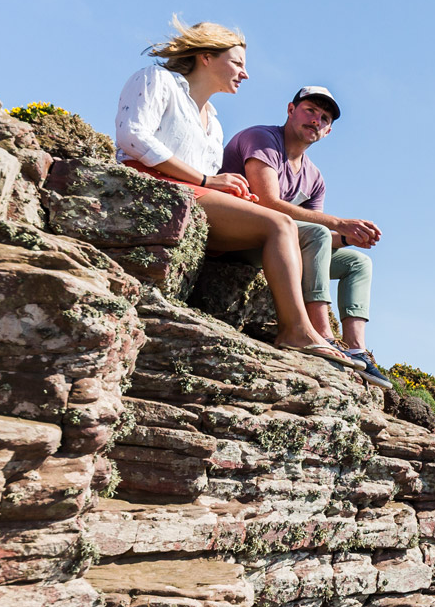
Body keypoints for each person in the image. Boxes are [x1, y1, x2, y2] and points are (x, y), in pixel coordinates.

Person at [113, 19, 358, 368]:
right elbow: (131, 137)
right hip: (154, 190)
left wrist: (228, 192)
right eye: (238, 63)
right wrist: (205, 180)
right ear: (207, 56)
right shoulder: (156, 79)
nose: (244, 74)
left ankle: (324, 337)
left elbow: (209, 181)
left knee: (285, 226)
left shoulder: (214, 123)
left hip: (195, 199)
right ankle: (296, 331)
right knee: (280, 224)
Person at [219, 89, 388, 385]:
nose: (316, 120)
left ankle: (357, 349)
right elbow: (266, 202)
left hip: (278, 246)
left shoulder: (314, 178)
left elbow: (314, 239)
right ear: (290, 109)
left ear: (329, 130)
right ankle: (322, 334)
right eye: (310, 111)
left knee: (358, 263)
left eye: (324, 118)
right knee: (320, 231)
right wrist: (338, 222)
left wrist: (348, 238)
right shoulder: (263, 139)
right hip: (236, 237)